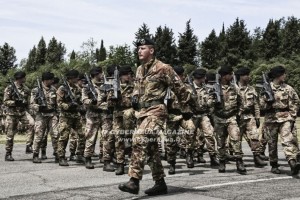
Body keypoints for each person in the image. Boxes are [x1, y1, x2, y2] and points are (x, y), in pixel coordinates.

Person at [119, 38, 191, 196]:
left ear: (151, 51)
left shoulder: (164, 68)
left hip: (157, 110)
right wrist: (135, 99)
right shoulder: (139, 69)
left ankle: (134, 181)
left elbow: (180, 89)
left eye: (143, 48)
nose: (139, 51)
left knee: (139, 138)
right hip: (142, 113)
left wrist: (185, 108)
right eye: (138, 48)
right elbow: (138, 89)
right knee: (151, 149)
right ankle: (160, 183)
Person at [259, 65, 300, 175]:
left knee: (287, 139)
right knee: (272, 143)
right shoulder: (266, 88)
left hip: (285, 117)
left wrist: (292, 115)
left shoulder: (288, 88)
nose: (285, 76)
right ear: (278, 75)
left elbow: (296, 101)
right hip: (270, 119)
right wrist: (267, 102)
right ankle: (274, 164)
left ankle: (292, 162)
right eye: (283, 74)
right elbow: (261, 106)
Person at [213, 66, 246, 175]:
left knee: (236, 139)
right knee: (220, 142)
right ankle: (222, 162)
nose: (232, 76)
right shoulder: (214, 89)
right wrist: (213, 101)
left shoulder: (234, 88)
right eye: (230, 74)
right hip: (219, 118)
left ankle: (239, 162)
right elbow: (207, 104)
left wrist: (239, 114)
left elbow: (241, 102)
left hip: (232, 117)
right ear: (223, 76)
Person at [235, 67, 267, 167]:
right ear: (241, 76)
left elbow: (256, 104)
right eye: (247, 75)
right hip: (237, 118)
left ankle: (257, 157)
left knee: (254, 136)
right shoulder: (233, 88)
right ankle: (239, 159)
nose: (249, 77)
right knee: (236, 139)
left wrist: (257, 117)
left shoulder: (252, 89)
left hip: (249, 116)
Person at [3, 71, 34, 161]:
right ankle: (8, 153)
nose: (25, 78)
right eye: (24, 77)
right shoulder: (10, 88)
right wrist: (14, 102)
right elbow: (5, 101)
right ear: (20, 78)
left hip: (22, 112)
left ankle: (29, 145)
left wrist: (30, 111)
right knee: (10, 134)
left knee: (32, 123)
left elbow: (27, 103)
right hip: (12, 113)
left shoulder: (26, 89)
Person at [56, 69, 84, 166]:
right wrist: (68, 106)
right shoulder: (62, 89)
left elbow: (80, 100)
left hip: (76, 115)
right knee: (64, 137)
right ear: (71, 78)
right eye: (76, 78)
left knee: (82, 134)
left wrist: (79, 104)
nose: (77, 79)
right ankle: (61, 157)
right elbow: (59, 103)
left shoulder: (77, 88)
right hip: (65, 116)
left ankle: (79, 154)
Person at [192, 69, 219, 167]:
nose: (205, 79)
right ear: (200, 78)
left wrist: (213, 99)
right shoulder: (188, 88)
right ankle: (191, 155)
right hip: (192, 115)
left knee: (209, 134)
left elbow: (209, 103)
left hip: (203, 114)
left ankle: (213, 157)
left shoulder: (206, 89)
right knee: (191, 136)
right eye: (203, 77)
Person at [30, 72, 58, 163]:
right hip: (41, 115)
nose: (52, 81)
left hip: (52, 115)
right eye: (51, 79)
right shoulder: (36, 90)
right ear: (46, 80)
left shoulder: (53, 89)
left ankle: (57, 154)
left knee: (55, 134)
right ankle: (35, 155)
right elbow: (32, 104)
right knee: (39, 135)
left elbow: (56, 103)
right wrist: (38, 107)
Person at [82, 67, 103, 169]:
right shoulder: (87, 87)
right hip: (92, 114)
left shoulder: (104, 85)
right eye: (101, 73)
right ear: (96, 74)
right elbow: (84, 100)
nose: (102, 75)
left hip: (104, 114)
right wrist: (91, 101)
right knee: (91, 137)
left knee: (107, 137)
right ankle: (88, 158)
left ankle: (106, 157)